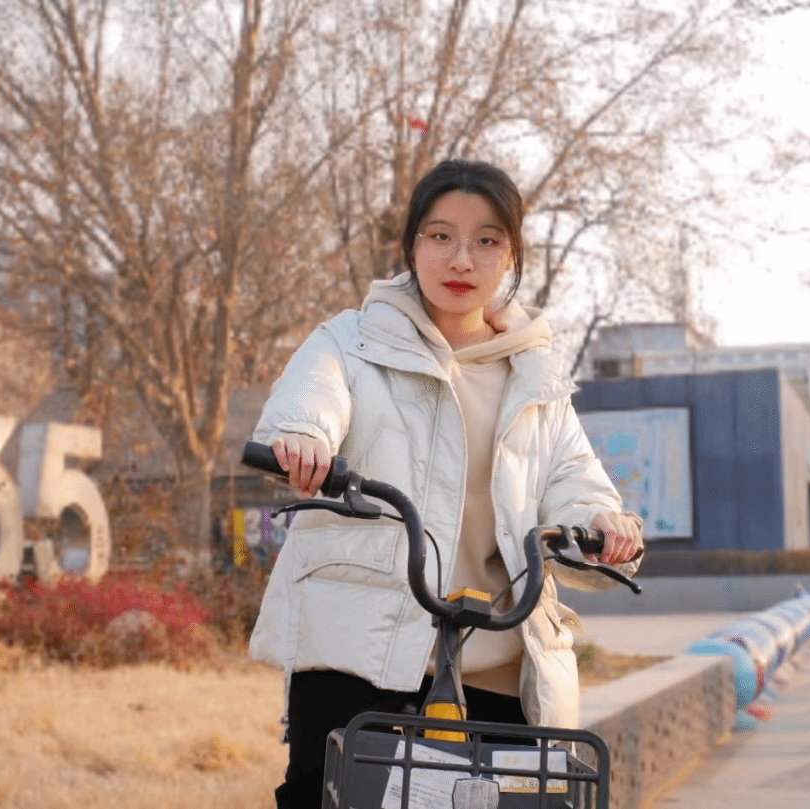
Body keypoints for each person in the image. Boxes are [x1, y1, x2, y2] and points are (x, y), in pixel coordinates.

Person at [249, 158, 644, 809]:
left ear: (511, 254)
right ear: (412, 246)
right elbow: (310, 401)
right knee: (326, 793)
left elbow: (575, 479)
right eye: (441, 236)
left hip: (497, 655)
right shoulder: (350, 341)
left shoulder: (536, 377)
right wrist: (305, 440)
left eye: (486, 240)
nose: (462, 259)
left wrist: (603, 524)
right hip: (361, 644)